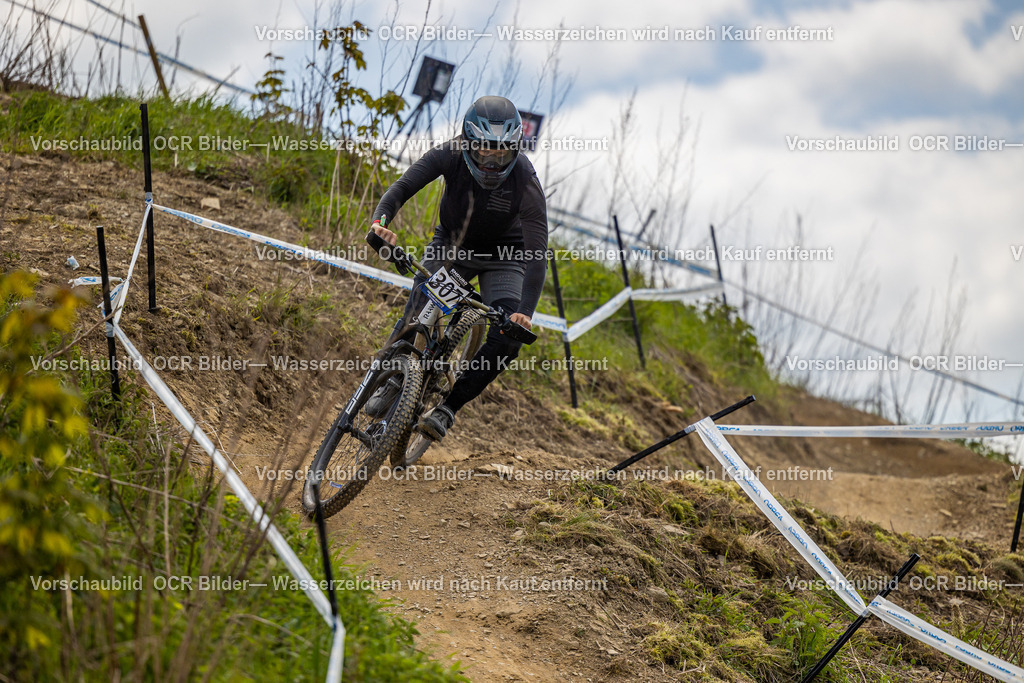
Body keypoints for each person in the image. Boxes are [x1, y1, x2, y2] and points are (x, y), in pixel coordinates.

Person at [367, 95, 548, 441]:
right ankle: (392, 377)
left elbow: (538, 252)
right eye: (484, 151)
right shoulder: (448, 154)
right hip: (452, 244)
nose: (493, 162)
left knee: (509, 337)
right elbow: (402, 188)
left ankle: (449, 407)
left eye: (502, 153)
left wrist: (524, 312)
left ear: (515, 150)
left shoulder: (525, 178)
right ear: (467, 143)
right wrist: (380, 223)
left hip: (504, 257)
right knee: (418, 309)